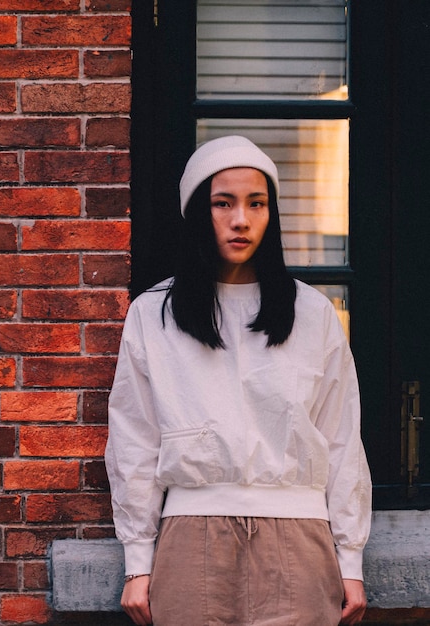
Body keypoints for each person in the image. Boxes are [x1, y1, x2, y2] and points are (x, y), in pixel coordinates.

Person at [105, 135, 372, 626]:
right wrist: (138, 561)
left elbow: (340, 438)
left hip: (301, 538)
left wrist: (350, 559)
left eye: (257, 203)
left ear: (272, 215)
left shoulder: (313, 314)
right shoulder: (152, 315)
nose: (241, 220)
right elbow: (134, 439)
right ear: (196, 213)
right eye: (222, 203)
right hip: (190, 537)